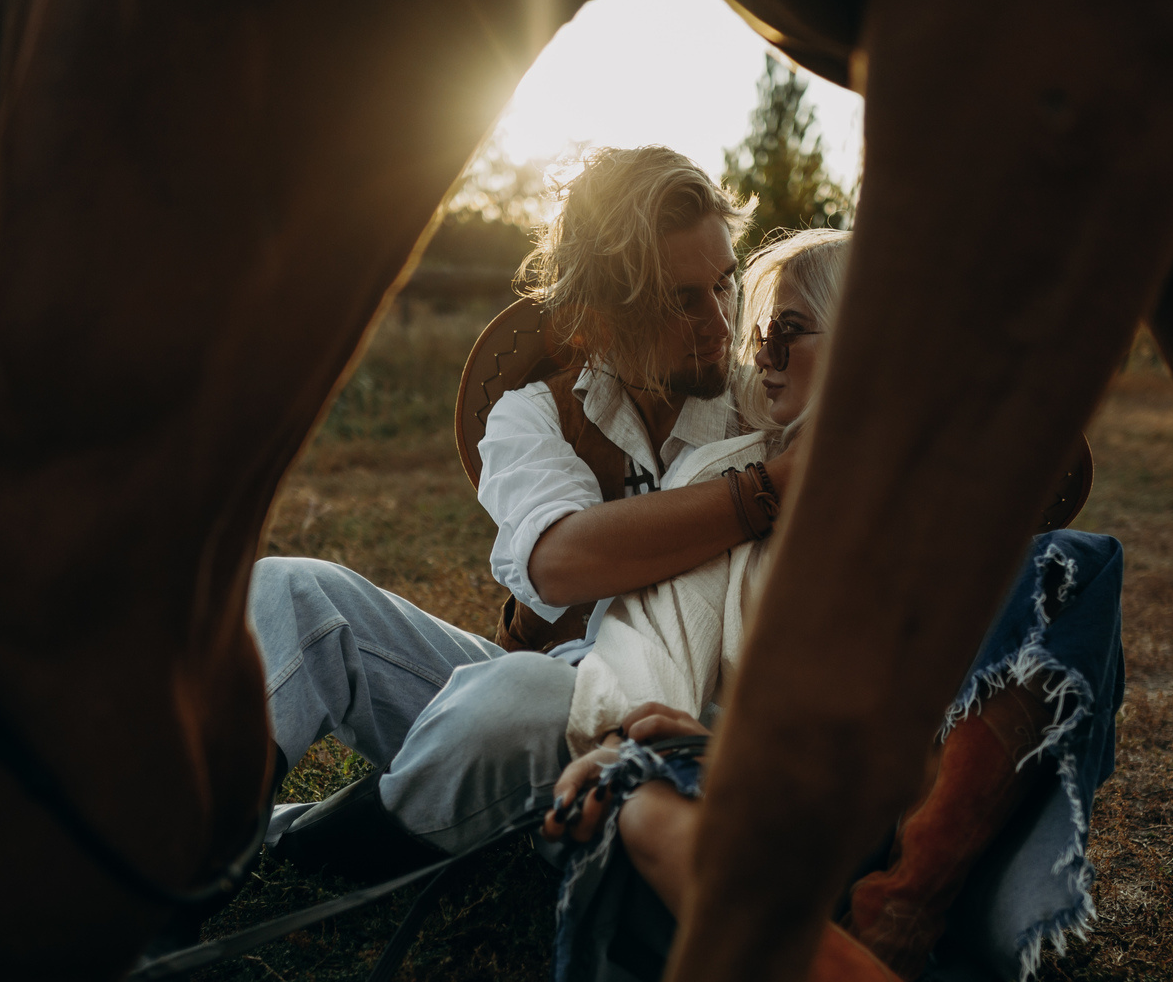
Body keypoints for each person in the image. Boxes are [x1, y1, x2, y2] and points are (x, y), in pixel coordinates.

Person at [538, 227, 1139, 982]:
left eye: (790, 332)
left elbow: (984, 673)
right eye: (754, 339)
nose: (758, 355)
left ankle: (897, 918)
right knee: (634, 789)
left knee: (1069, 565)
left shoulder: (947, 492)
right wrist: (648, 725)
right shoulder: (717, 487)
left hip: (916, 822)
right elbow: (636, 662)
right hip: (750, 835)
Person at [246, 147, 794, 877]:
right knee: (289, 591)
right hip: (526, 707)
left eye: (725, 284)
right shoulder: (532, 412)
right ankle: (203, 833)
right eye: (681, 300)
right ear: (600, 312)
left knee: (517, 695)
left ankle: (314, 837)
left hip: (676, 726)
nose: (720, 322)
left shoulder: (760, 411)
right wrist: (763, 491)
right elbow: (561, 561)